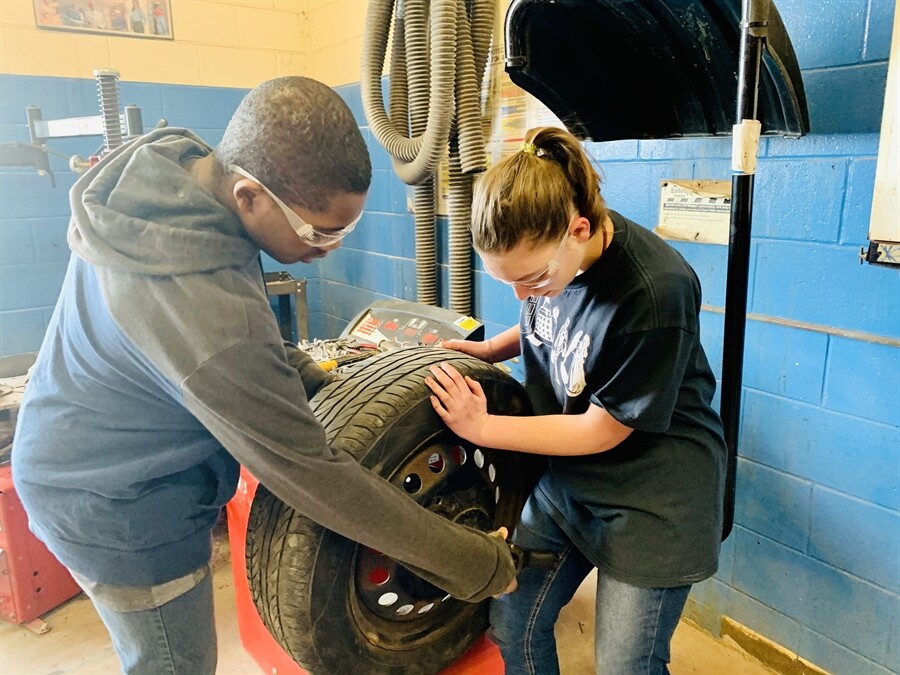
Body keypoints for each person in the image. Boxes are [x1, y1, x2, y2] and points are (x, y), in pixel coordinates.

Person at [12, 77, 516, 675]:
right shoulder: (208, 315)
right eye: (317, 232)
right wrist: (473, 562)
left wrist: (311, 372)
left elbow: (202, 339)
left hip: (72, 445)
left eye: (343, 231)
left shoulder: (173, 183)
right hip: (117, 506)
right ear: (250, 194)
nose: (328, 248)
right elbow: (315, 479)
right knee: (174, 664)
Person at [425, 126, 726, 675]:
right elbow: (555, 318)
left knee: (624, 666)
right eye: (508, 281)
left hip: (652, 499)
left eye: (533, 277)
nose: (523, 294)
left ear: (578, 228)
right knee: (512, 620)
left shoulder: (654, 290)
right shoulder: (551, 264)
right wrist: (494, 347)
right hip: (570, 482)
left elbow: (602, 429)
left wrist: (481, 426)